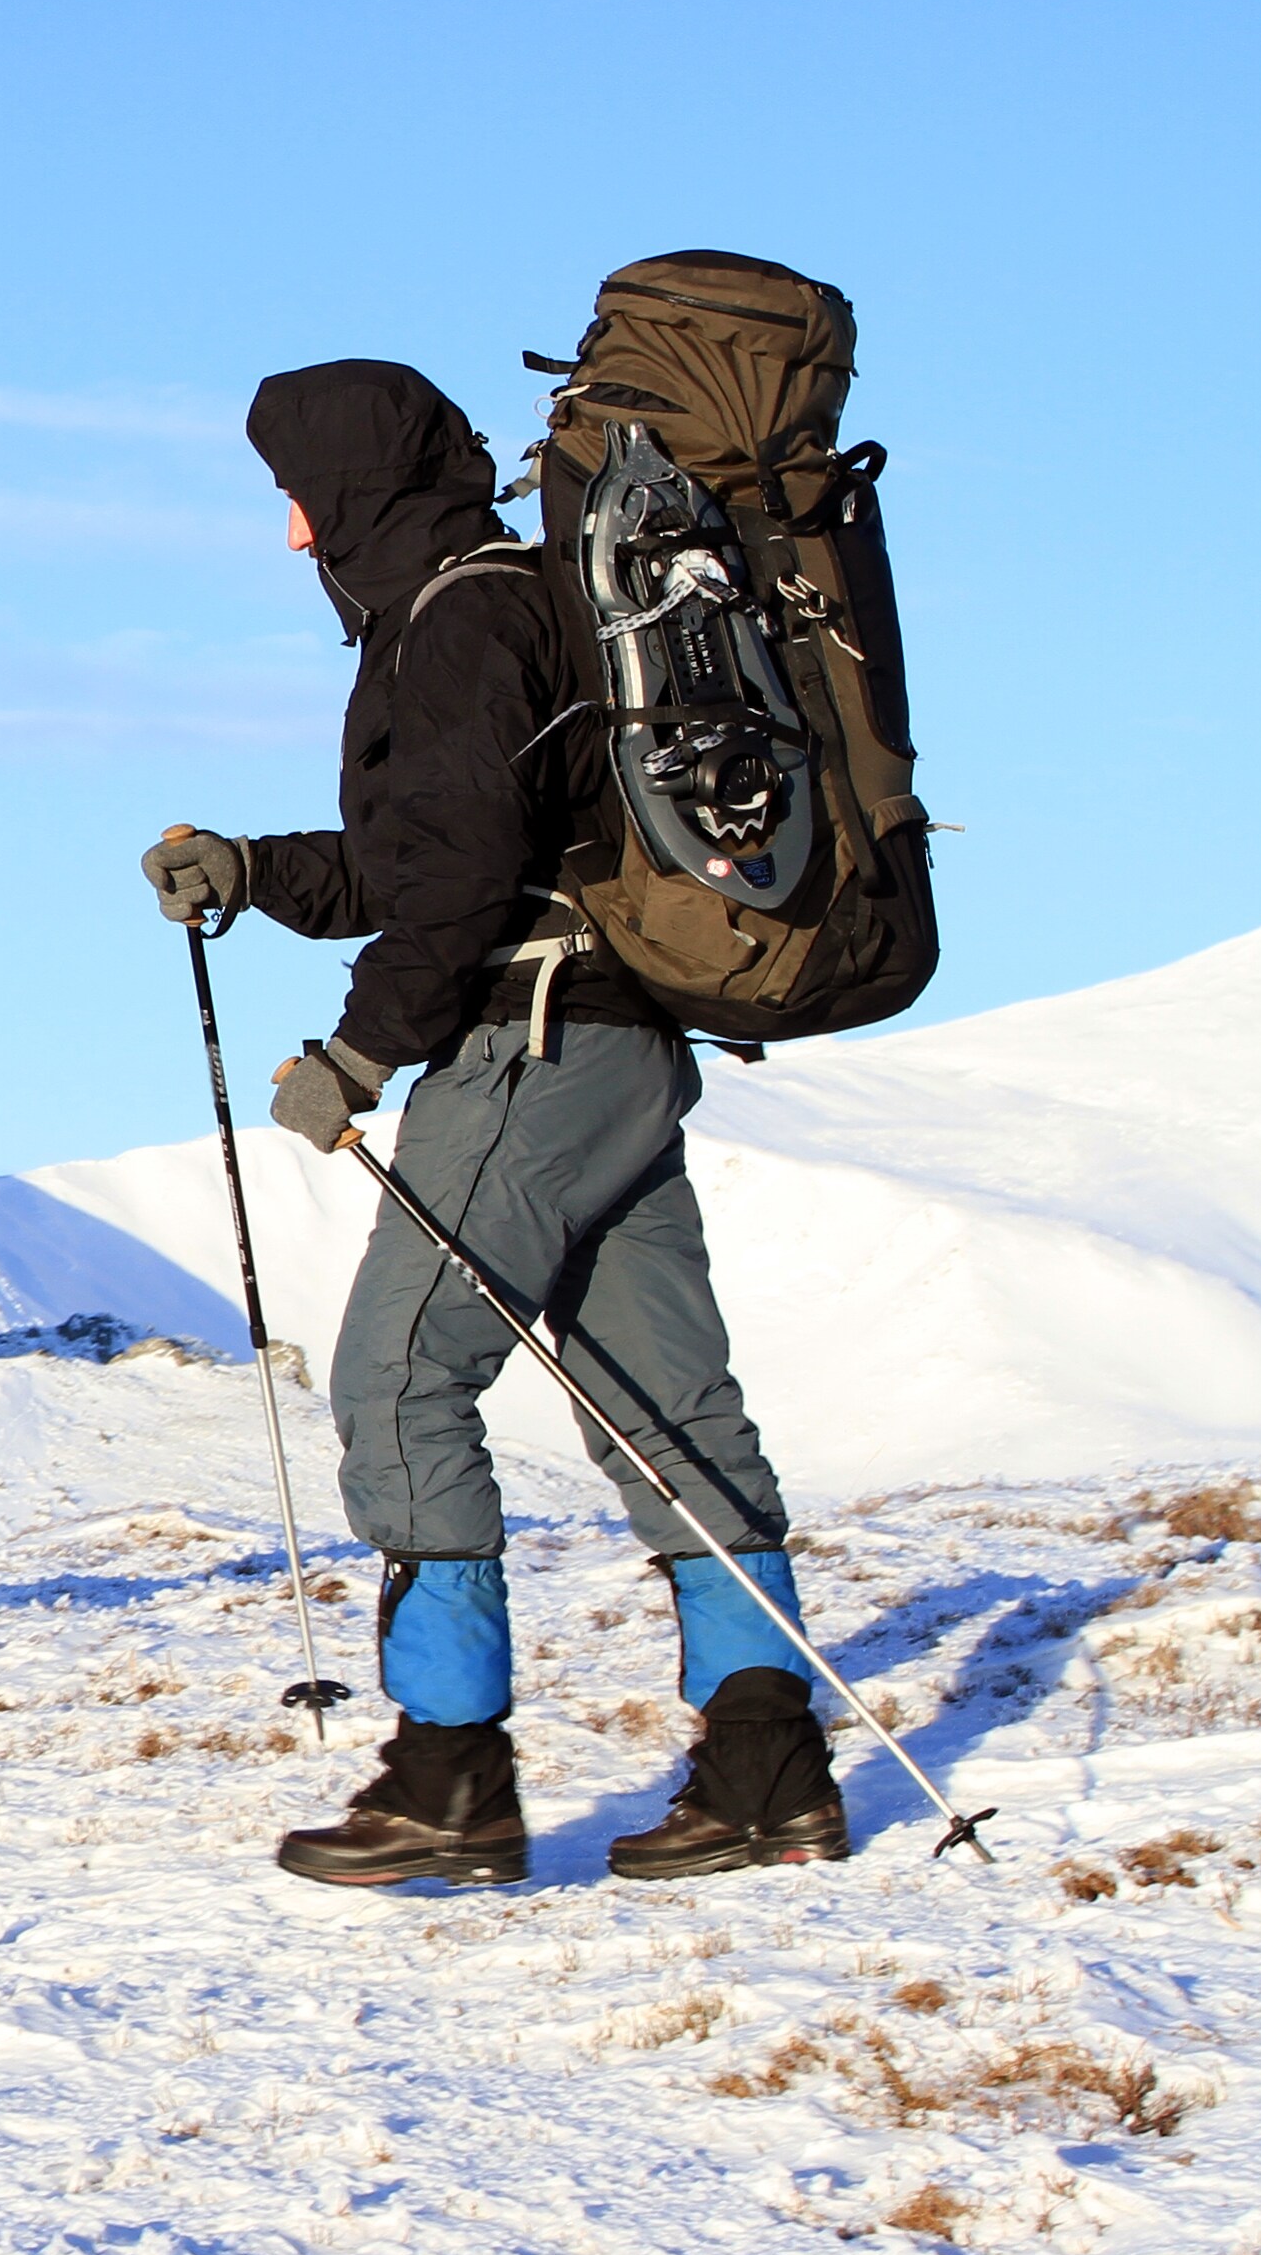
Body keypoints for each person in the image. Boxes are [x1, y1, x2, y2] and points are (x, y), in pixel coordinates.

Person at [144, 358, 840, 1889]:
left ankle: (451, 1778)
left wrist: (362, 1052)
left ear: (355, 496)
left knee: (397, 1380)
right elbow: (446, 854)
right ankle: (767, 1763)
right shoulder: (508, 604)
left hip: (527, 1046)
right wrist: (256, 869)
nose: (289, 538)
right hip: (621, 1044)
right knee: (666, 1406)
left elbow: (458, 876)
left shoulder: (460, 622)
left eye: (297, 502)